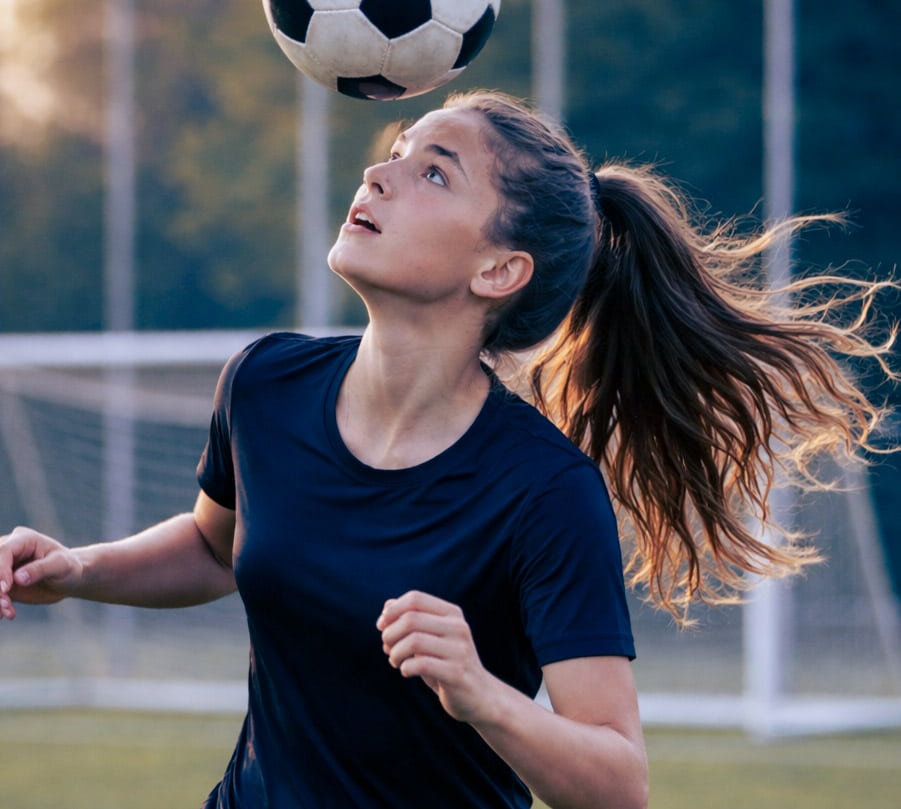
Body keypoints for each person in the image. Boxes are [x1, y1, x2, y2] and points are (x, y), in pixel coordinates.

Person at [0, 90, 896, 809]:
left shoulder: (544, 491)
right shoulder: (264, 384)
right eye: (393, 153)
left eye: (433, 172)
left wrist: (479, 690)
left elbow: (618, 782)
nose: (378, 173)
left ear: (498, 270)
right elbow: (212, 547)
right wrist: (77, 566)